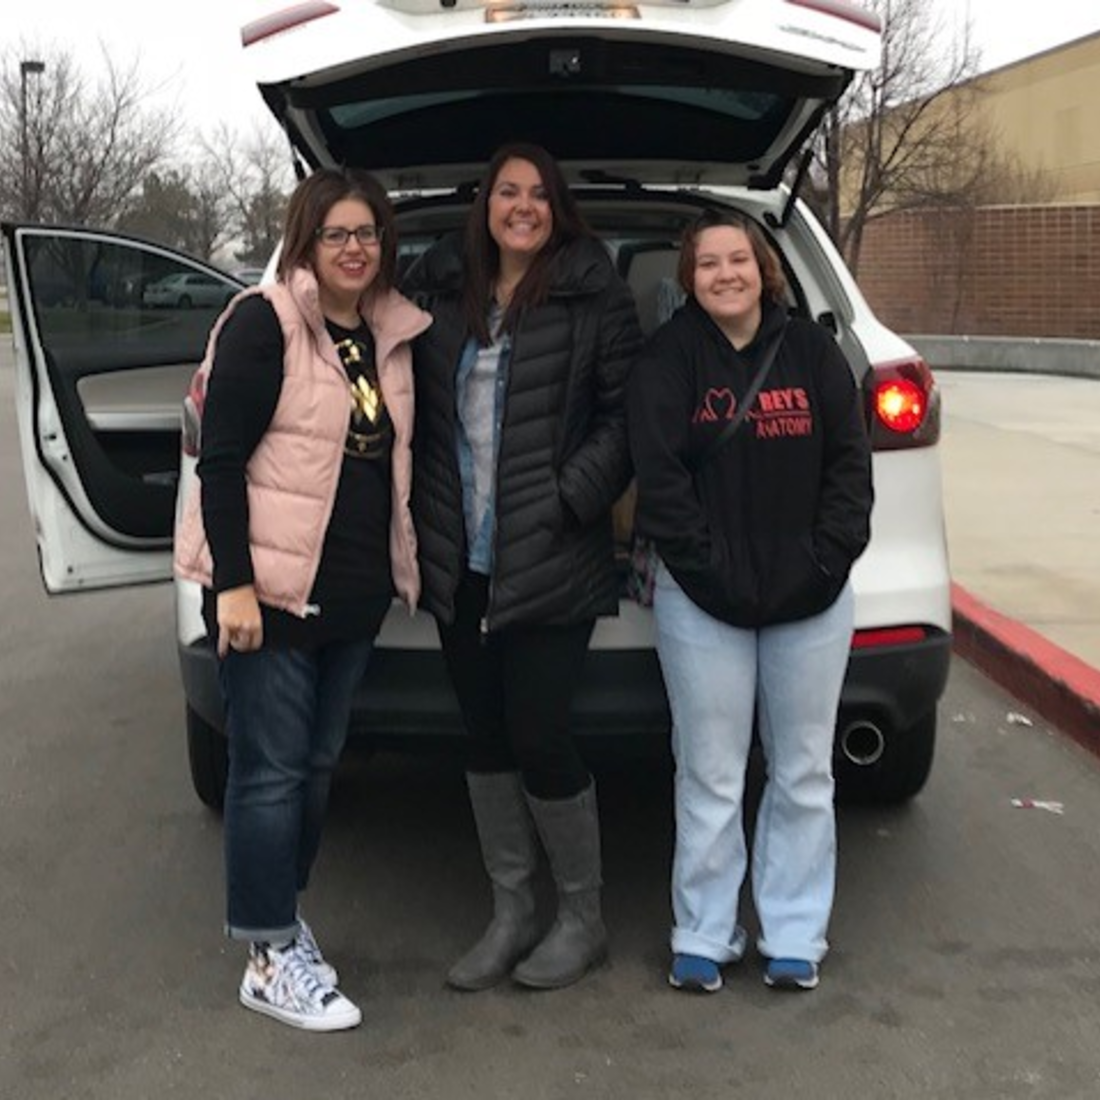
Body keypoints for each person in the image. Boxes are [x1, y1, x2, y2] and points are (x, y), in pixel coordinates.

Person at [174, 167, 431, 1030]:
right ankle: (267, 955)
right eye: (338, 235)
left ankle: (281, 923)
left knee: (315, 771)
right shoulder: (265, 322)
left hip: (351, 601)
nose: (356, 249)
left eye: (368, 234)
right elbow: (219, 460)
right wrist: (235, 586)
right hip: (272, 597)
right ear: (306, 242)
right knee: (270, 774)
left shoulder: (388, 335)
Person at [403, 142, 642, 991]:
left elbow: (626, 416)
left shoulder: (593, 295)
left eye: (539, 194)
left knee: (541, 733)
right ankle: (512, 913)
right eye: (508, 192)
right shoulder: (438, 294)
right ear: (486, 205)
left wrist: (572, 498)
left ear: (557, 207)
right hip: (459, 559)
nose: (524, 207)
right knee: (485, 734)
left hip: (551, 554)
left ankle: (584, 918)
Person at [627, 208, 873, 994]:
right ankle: (703, 930)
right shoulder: (667, 361)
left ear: (765, 267)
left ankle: (795, 932)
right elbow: (661, 487)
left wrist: (821, 564)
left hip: (812, 598)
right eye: (708, 264)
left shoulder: (813, 352)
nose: (725, 274)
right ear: (688, 278)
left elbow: (849, 472)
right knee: (709, 773)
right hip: (703, 603)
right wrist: (717, 577)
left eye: (739, 259)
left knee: (803, 770)